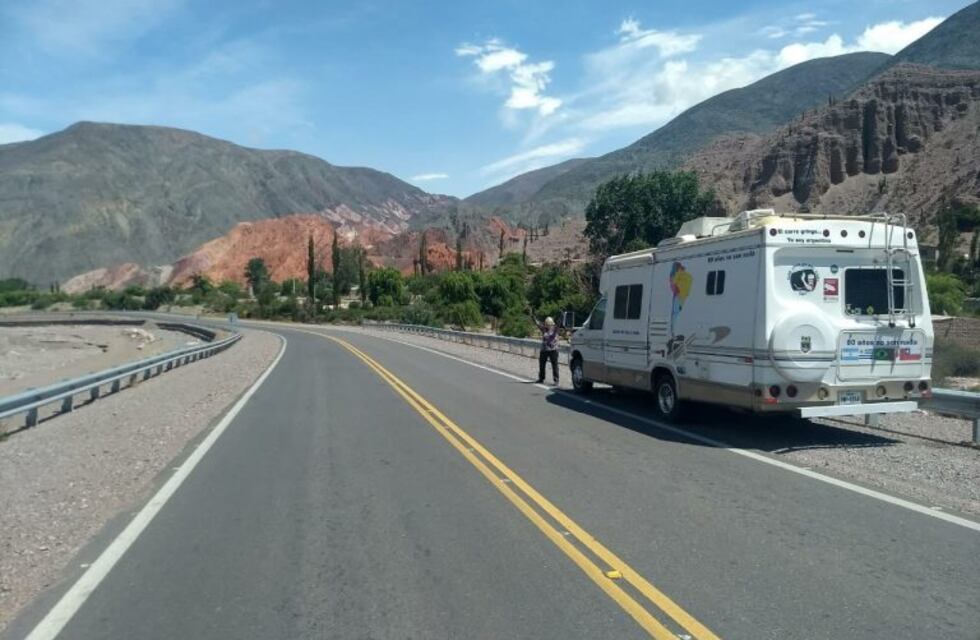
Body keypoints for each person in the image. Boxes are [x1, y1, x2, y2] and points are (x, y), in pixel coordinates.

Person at [529, 309, 560, 385]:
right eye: (547, 324)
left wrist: (562, 316)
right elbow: (537, 323)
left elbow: (559, 323)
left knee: (554, 365)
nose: (548, 325)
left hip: (553, 349)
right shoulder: (543, 329)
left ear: (552, 324)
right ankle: (541, 378)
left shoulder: (555, 329)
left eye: (549, 324)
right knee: (542, 365)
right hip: (544, 350)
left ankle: (556, 380)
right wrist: (532, 315)